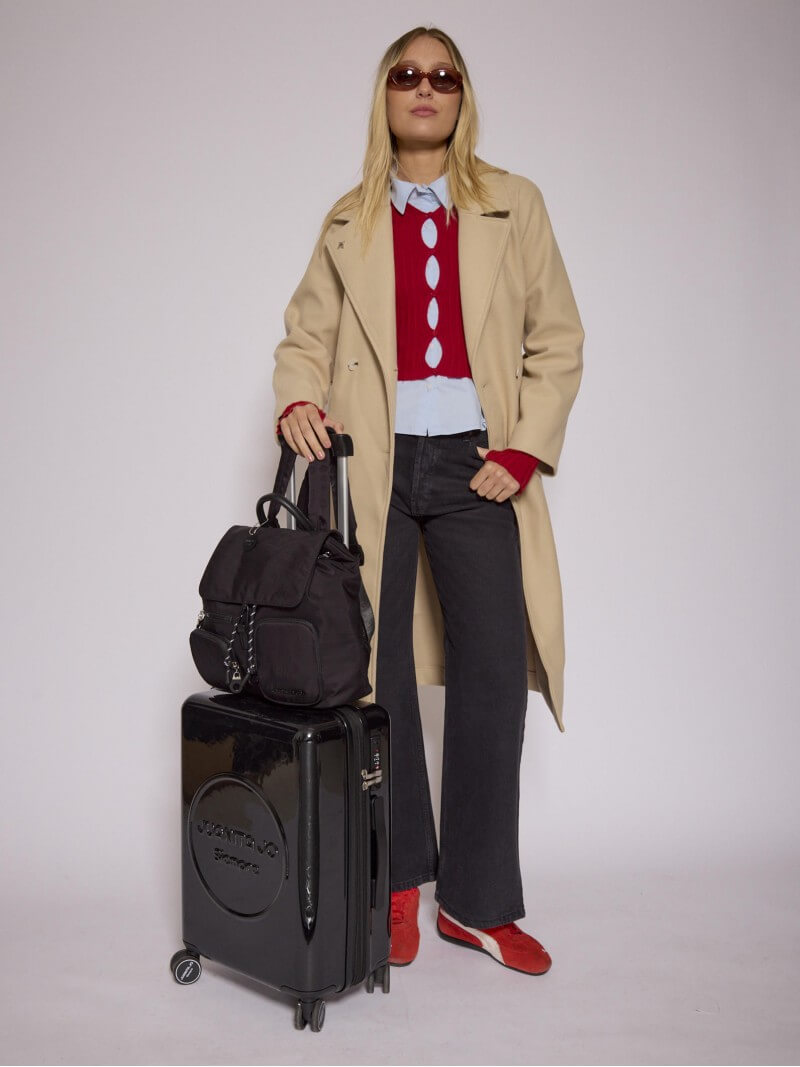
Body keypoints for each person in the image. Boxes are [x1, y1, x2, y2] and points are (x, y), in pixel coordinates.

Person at [272, 26, 584, 976]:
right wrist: (297, 398)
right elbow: (306, 336)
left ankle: (478, 904)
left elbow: (557, 338)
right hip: (373, 464)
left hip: (474, 462)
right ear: (385, 94)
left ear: (461, 97)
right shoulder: (349, 218)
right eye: (407, 74)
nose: (425, 87)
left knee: (493, 668)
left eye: (443, 76)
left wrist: (524, 449)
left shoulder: (513, 205)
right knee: (379, 672)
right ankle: (398, 880)